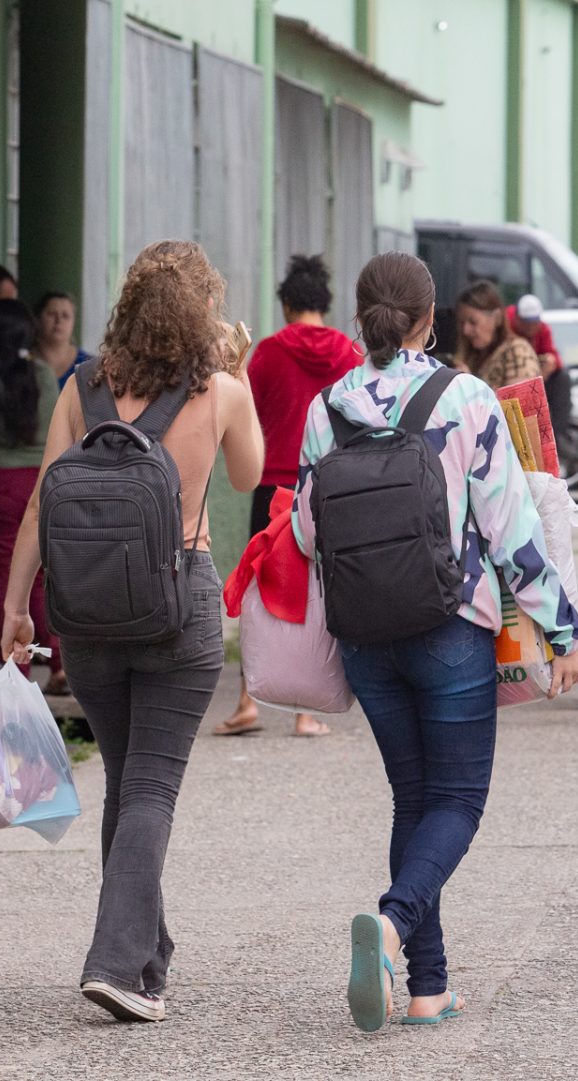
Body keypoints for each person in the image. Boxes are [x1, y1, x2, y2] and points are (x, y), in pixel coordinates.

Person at [292, 252, 578, 1031]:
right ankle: (389, 925)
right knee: (456, 800)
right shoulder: (467, 397)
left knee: (414, 800)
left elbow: (304, 526)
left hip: (366, 634)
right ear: (430, 320)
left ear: (361, 318)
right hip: (450, 627)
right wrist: (563, 630)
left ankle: (430, 988)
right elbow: (512, 530)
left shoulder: (327, 408)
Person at [0, 240, 264, 1024]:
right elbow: (251, 474)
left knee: (128, 780)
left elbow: (42, 505)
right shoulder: (219, 389)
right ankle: (116, 963)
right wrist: (238, 376)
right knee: (148, 787)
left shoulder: (81, 387)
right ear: (199, 313)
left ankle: (147, 956)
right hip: (179, 603)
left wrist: (17, 607)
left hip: (86, 617)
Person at [215, 254, 356, 739]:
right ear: (324, 302)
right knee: (321, 592)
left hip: (273, 485)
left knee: (265, 590)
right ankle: (306, 710)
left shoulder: (269, 353)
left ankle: (245, 702)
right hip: (331, 486)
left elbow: (244, 413)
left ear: (287, 303)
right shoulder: (347, 354)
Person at [0, 298, 66, 695]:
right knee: (40, 577)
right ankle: (59, 665)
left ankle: (17, 675)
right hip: (39, 484)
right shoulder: (43, 376)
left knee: (2, 579)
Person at [510, 294, 578, 476]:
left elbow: (554, 356)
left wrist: (546, 369)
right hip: (514, 374)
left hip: (536, 376)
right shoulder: (509, 325)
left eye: (534, 323)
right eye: (526, 323)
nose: (531, 328)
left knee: (562, 378)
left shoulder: (543, 330)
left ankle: (556, 434)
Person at [452, 280, 538, 389]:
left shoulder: (518, 351)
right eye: (461, 323)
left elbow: (520, 403)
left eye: (473, 322)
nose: (465, 330)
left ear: (497, 317)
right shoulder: (472, 355)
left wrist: (470, 385)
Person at [35, 292, 93, 389]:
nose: (58, 320)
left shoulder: (88, 366)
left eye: (65, 316)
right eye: (52, 314)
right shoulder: (25, 361)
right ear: (38, 318)